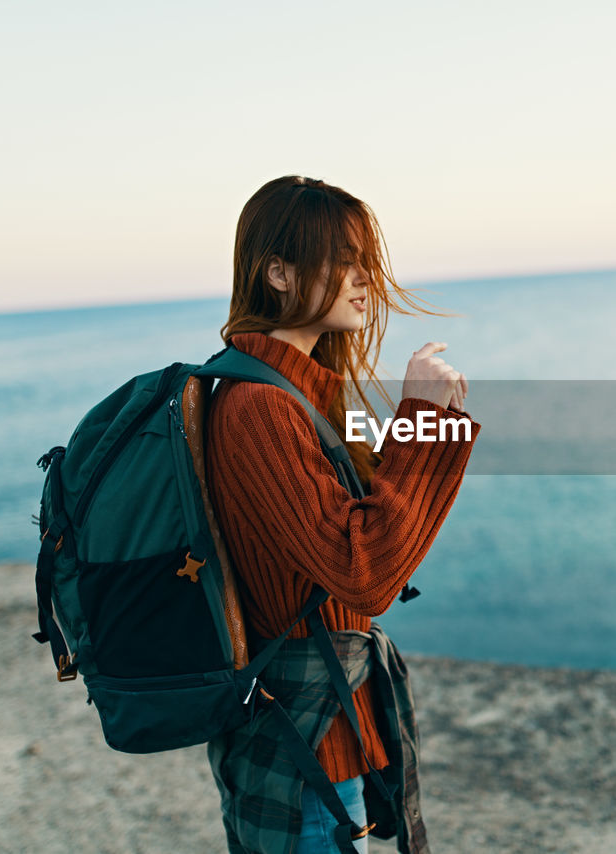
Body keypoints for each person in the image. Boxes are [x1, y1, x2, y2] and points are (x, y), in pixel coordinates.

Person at [203, 175, 481, 854]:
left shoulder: (296, 395)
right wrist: (419, 413)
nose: (366, 279)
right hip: (301, 759)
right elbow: (365, 571)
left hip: (318, 742)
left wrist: (433, 423)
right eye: (344, 260)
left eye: (367, 260)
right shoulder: (260, 407)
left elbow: (375, 513)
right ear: (277, 273)